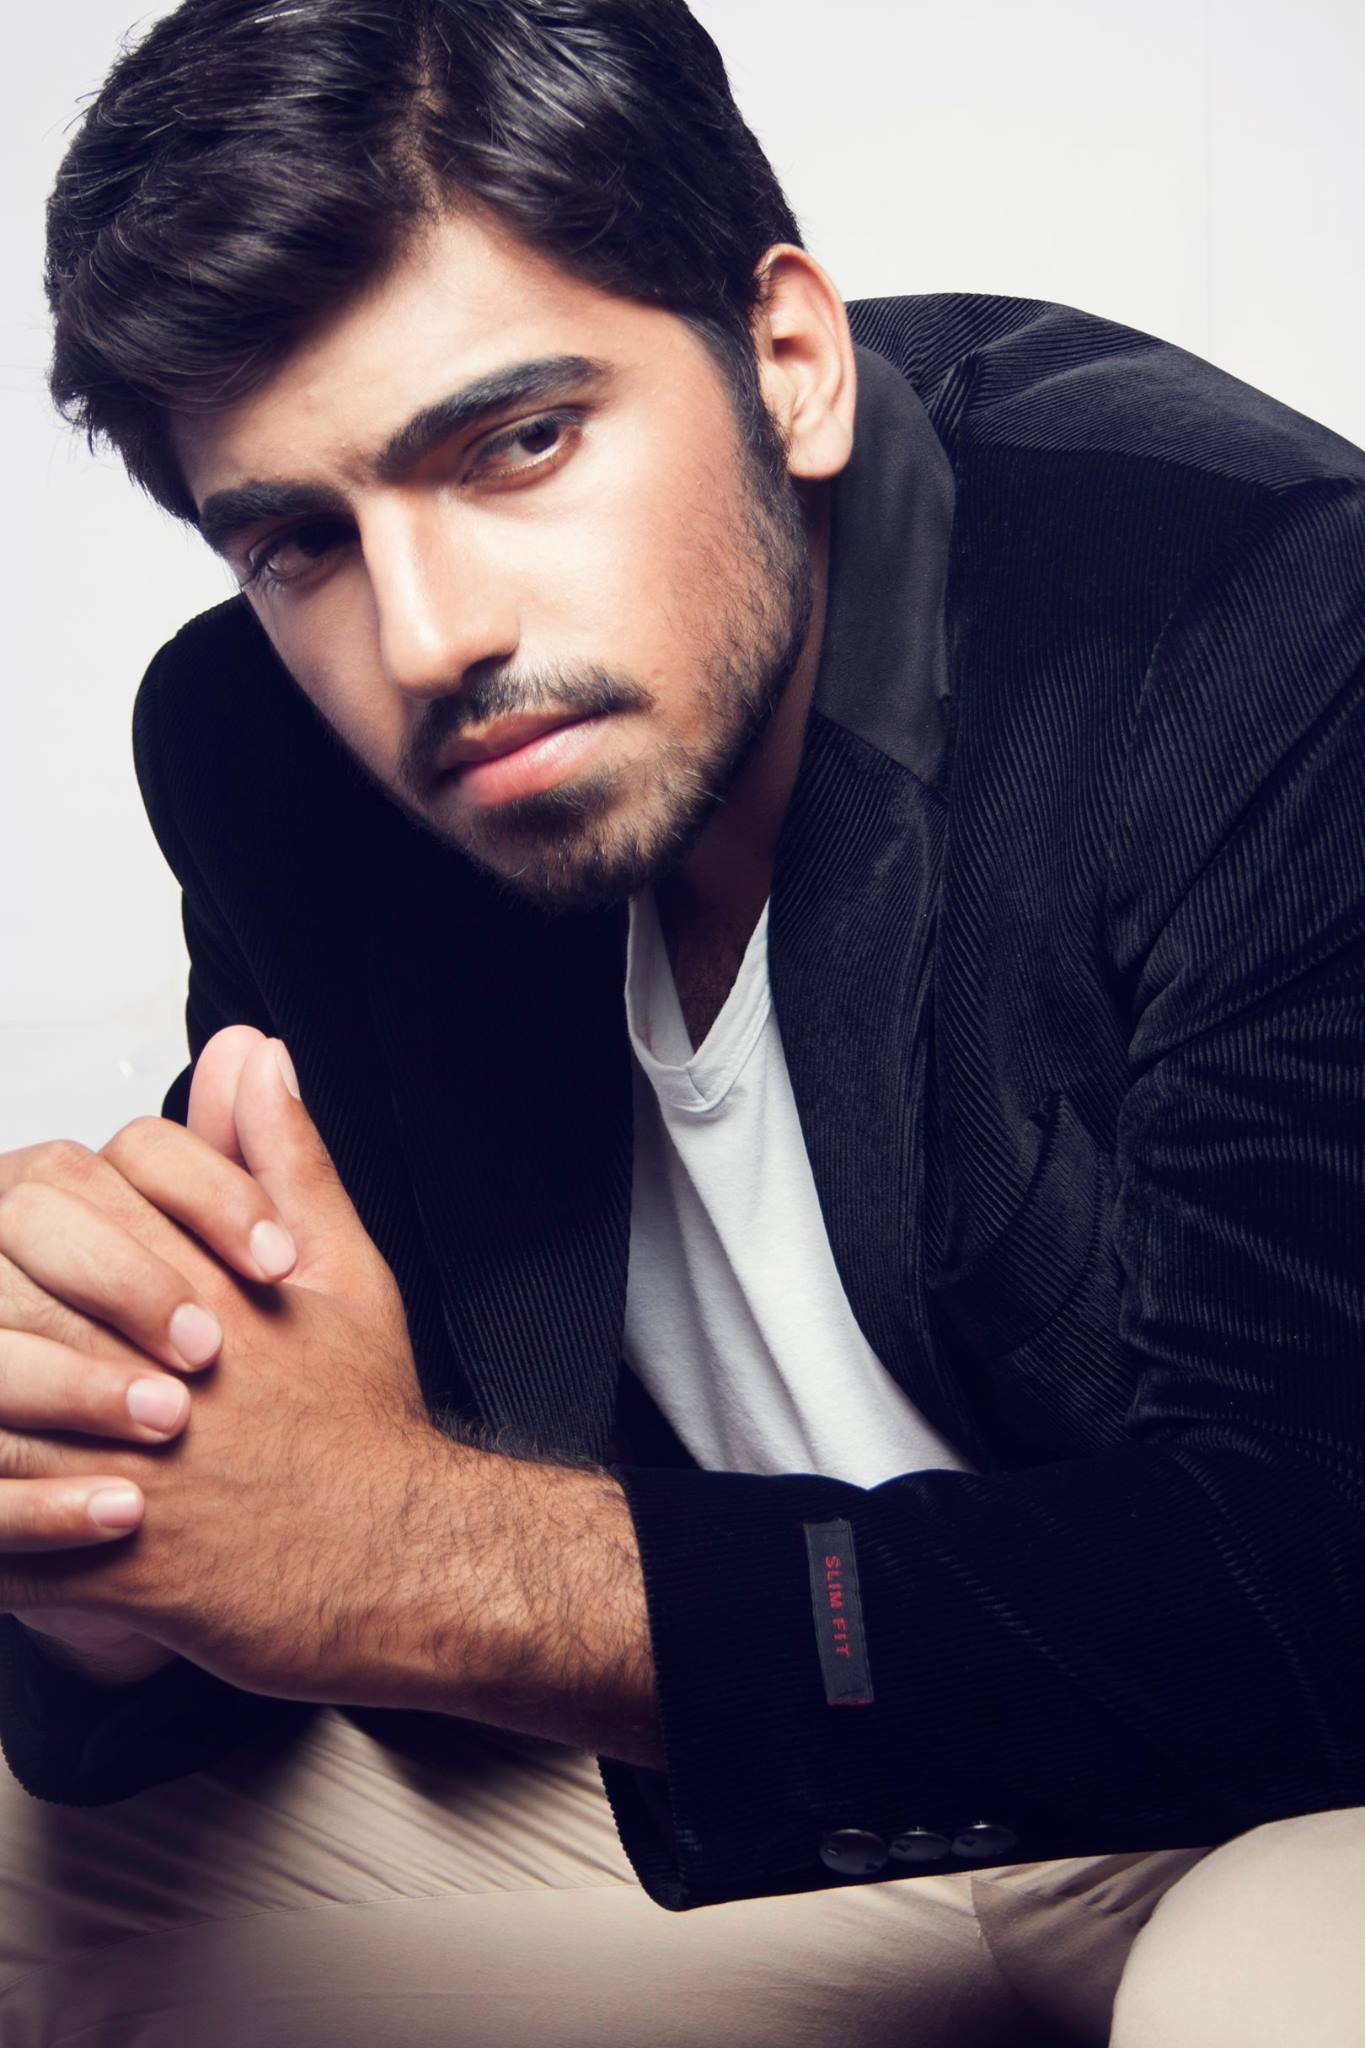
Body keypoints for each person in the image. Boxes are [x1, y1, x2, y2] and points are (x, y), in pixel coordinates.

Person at [1, 0, 1363, 2040]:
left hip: (1281, 1800)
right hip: (779, 1793)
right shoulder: (275, 761)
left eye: (515, 443)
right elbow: (308, 1485)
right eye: (298, 537)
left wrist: (419, 1559)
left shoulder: (1249, 619)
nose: (429, 638)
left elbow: (1312, 1580)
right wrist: (104, 1494)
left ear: (789, 359)